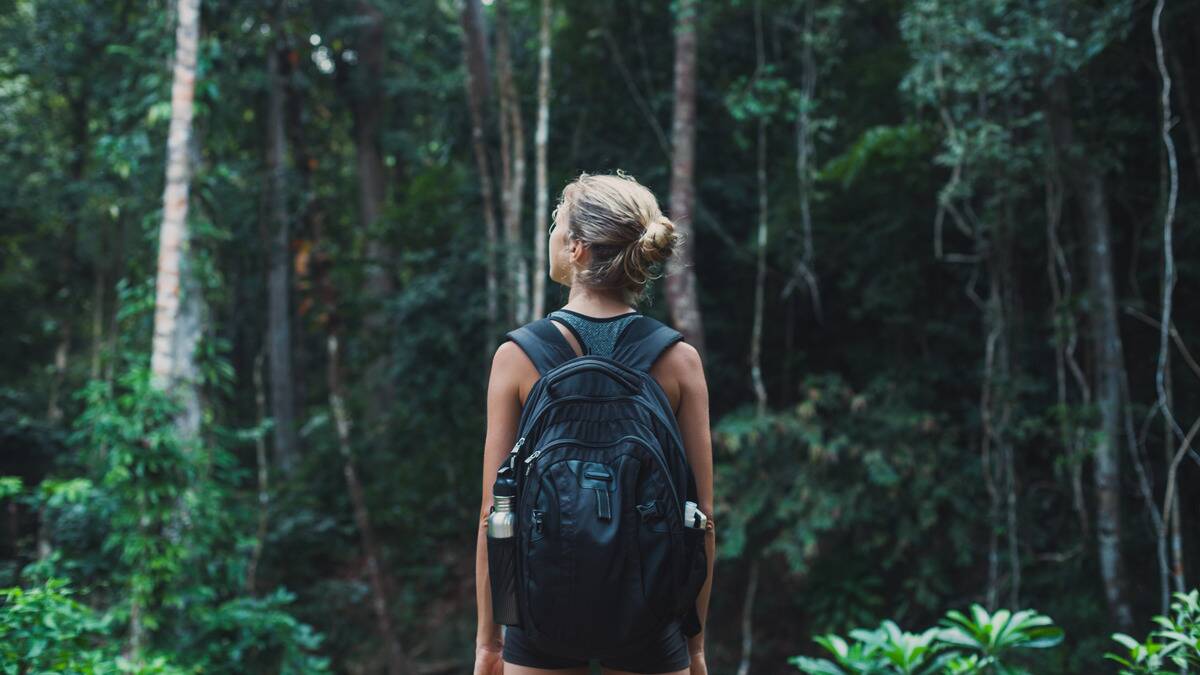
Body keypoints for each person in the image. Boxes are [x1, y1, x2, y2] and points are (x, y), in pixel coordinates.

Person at [474, 171, 715, 675]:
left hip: (541, 617)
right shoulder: (679, 361)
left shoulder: (517, 357)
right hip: (653, 618)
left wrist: (489, 643)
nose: (551, 236)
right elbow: (701, 517)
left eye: (557, 225)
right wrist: (693, 648)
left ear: (578, 249)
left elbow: (494, 514)